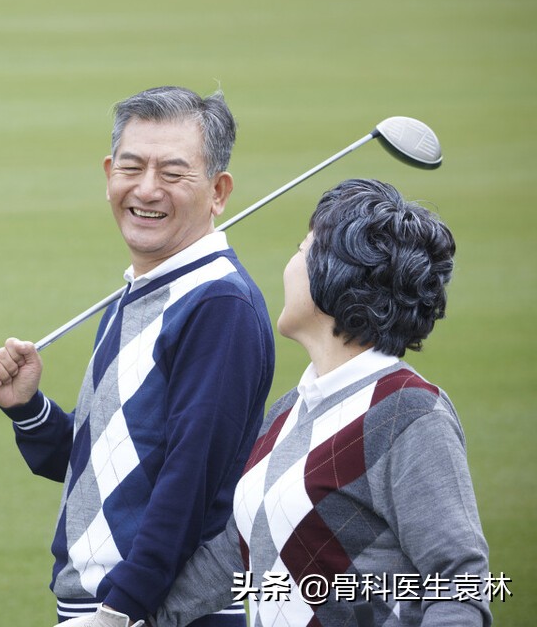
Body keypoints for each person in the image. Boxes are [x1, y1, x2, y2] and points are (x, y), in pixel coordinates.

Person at [0, 86, 276, 626]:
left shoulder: (219, 306)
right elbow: (106, 467)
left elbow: (189, 482)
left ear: (218, 191)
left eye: (173, 173)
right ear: (108, 172)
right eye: (132, 167)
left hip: (155, 615)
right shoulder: (140, 291)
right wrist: (30, 411)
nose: (146, 189)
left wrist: (121, 610)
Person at [151, 178, 491, 627]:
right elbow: (238, 552)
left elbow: (459, 585)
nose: (289, 265)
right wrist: (127, 617)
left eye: (301, 249)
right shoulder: (290, 409)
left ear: (336, 273)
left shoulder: (412, 416)